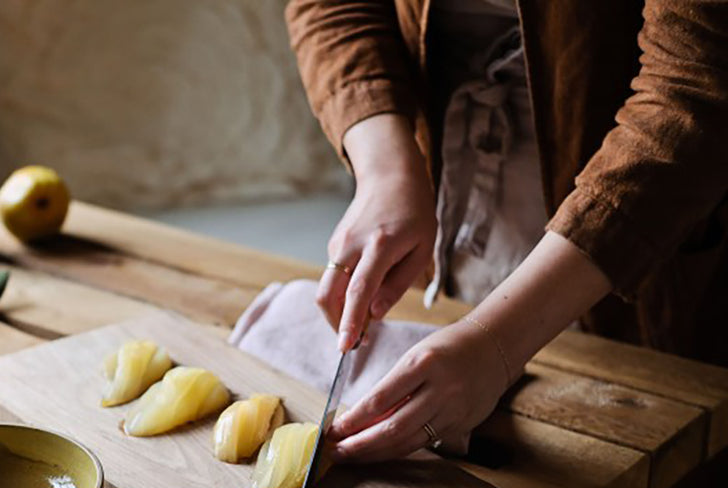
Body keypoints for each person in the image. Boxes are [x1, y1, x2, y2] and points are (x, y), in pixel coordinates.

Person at [284, 0, 728, 462]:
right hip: (441, 211)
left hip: (643, 253)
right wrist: (385, 170)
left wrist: (496, 342)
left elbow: (698, 80)